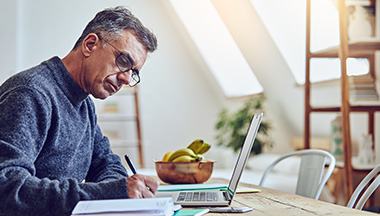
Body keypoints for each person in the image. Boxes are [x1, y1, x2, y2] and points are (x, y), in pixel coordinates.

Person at [0, 6, 159, 216]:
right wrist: (109, 193)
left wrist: (116, 192)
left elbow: (107, 165)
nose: (127, 79)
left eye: (133, 73)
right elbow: (8, 189)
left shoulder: (84, 104)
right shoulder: (30, 93)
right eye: (123, 61)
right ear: (90, 44)